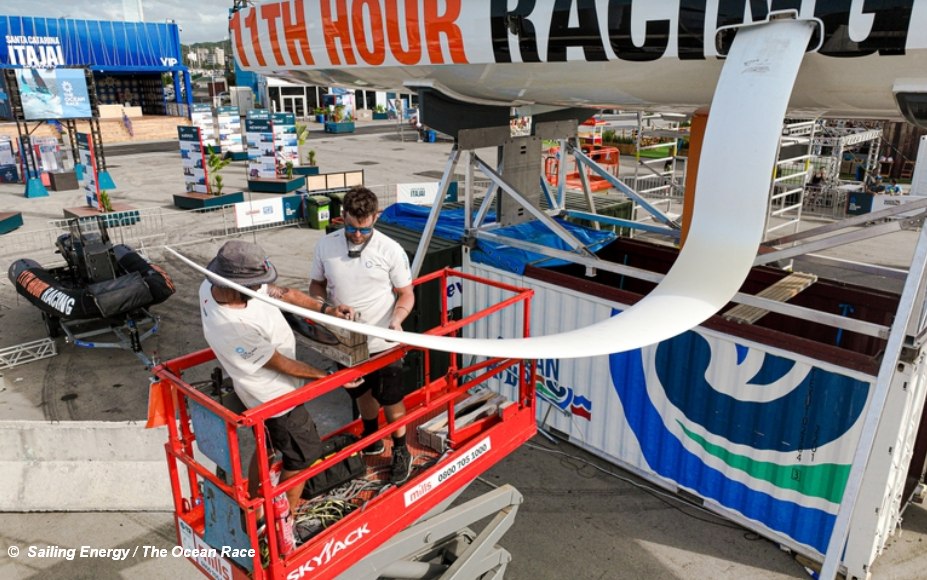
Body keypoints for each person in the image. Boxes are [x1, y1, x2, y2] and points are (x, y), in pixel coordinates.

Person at [199, 240, 352, 538]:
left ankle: (257, 509)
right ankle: (282, 524)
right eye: (255, 283)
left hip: (255, 394)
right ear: (234, 284)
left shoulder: (212, 288)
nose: (261, 287)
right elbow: (278, 363)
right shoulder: (231, 326)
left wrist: (327, 309)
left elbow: (284, 293)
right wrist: (327, 377)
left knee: (267, 444)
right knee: (303, 455)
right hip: (276, 398)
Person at [309, 187, 416, 485]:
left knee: (391, 398)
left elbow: (406, 294)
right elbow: (316, 286)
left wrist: (397, 319)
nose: (357, 235)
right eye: (351, 228)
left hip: (383, 342)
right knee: (361, 392)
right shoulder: (325, 246)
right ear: (342, 217)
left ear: (375, 218)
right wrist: (328, 308)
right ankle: (371, 435)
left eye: (365, 229)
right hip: (344, 342)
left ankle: (400, 449)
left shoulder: (390, 249)